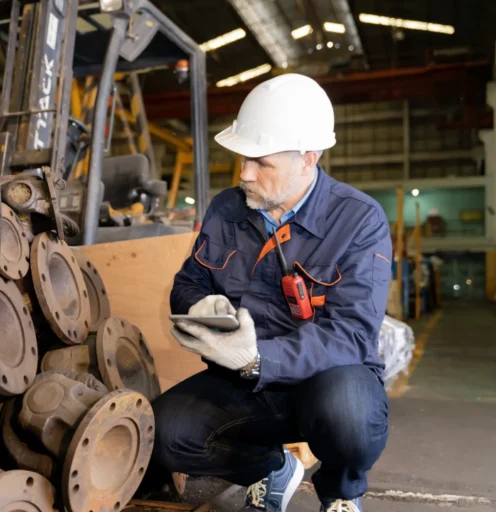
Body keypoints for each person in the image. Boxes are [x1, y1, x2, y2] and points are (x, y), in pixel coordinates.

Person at [152, 73, 392, 512]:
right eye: (244, 158)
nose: (245, 173)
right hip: (246, 385)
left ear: (307, 160)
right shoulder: (228, 208)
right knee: (165, 434)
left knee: (349, 417)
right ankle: (269, 469)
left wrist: (259, 358)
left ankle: (341, 493)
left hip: (329, 380)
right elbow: (189, 282)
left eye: (262, 163)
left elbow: (352, 335)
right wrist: (200, 306)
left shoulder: (359, 221)